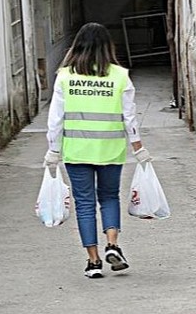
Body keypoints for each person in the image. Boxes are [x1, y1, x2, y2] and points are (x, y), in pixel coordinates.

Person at [44, 22, 152, 279]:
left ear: (77, 45)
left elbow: (55, 119)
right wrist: (138, 148)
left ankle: (93, 262)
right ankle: (112, 245)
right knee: (109, 197)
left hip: (77, 150)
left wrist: (52, 151)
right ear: (107, 46)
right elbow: (130, 117)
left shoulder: (65, 76)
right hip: (110, 150)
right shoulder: (119, 76)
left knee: (84, 204)